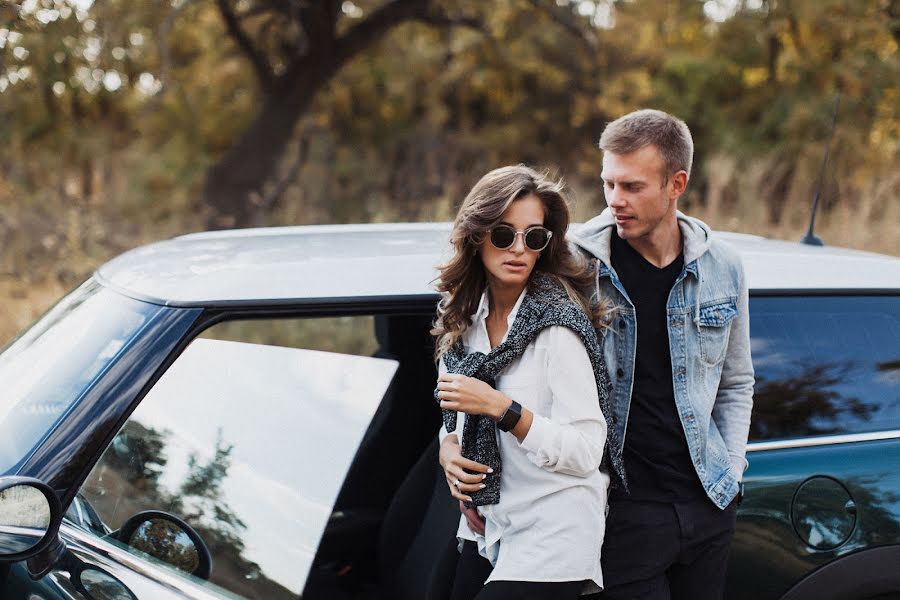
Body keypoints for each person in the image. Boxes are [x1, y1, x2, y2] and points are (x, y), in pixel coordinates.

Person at [568, 109, 755, 599]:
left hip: (708, 501)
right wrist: (452, 437)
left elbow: (736, 382)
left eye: (631, 187)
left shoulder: (723, 267)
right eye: (608, 184)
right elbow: (493, 341)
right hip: (623, 510)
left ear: (676, 184)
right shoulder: (575, 265)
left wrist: (732, 472)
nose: (614, 201)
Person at [432, 165, 624, 600]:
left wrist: (503, 409)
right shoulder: (463, 323)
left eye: (533, 237)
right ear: (477, 236)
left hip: (553, 529)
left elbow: (586, 451)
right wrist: (448, 451)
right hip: (489, 522)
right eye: (504, 234)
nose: (518, 248)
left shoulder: (557, 327)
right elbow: (453, 414)